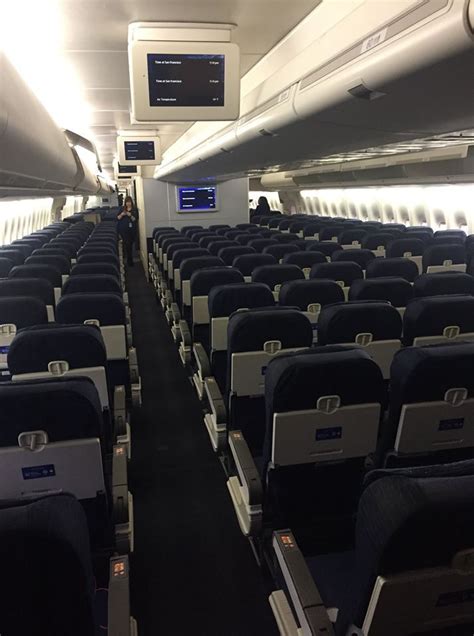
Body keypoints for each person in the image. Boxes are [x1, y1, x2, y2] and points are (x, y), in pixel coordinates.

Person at [117, 196, 138, 266]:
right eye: (127, 202)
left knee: (130, 245)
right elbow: (118, 218)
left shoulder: (134, 209)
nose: (128, 204)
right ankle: (129, 260)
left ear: (131, 202)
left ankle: (130, 259)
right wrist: (122, 214)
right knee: (127, 245)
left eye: (129, 202)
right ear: (125, 203)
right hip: (123, 230)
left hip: (131, 231)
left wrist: (130, 215)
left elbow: (135, 219)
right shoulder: (122, 209)